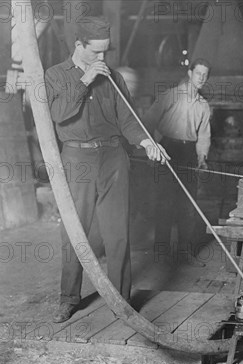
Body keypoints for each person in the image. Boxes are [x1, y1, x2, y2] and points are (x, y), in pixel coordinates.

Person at [45, 16, 169, 323]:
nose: (102, 59)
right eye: (95, 53)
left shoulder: (113, 77)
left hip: (114, 156)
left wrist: (146, 142)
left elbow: (127, 120)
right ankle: (68, 297)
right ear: (78, 45)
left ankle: (121, 300)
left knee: (118, 233)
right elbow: (59, 115)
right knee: (75, 231)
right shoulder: (55, 75)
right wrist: (85, 79)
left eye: (105, 52)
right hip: (77, 159)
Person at [143, 58, 211, 266]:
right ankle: (161, 253)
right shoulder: (171, 95)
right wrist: (151, 147)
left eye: (205, 75)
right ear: (190, 73)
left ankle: (184, 252)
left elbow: (204, 136)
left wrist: (202, 158)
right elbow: (148, 120)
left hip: (189, 153)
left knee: (187, 205)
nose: (201, 78)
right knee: (164, 202)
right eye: (198, 73)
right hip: (167, 150)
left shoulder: (203, 105)